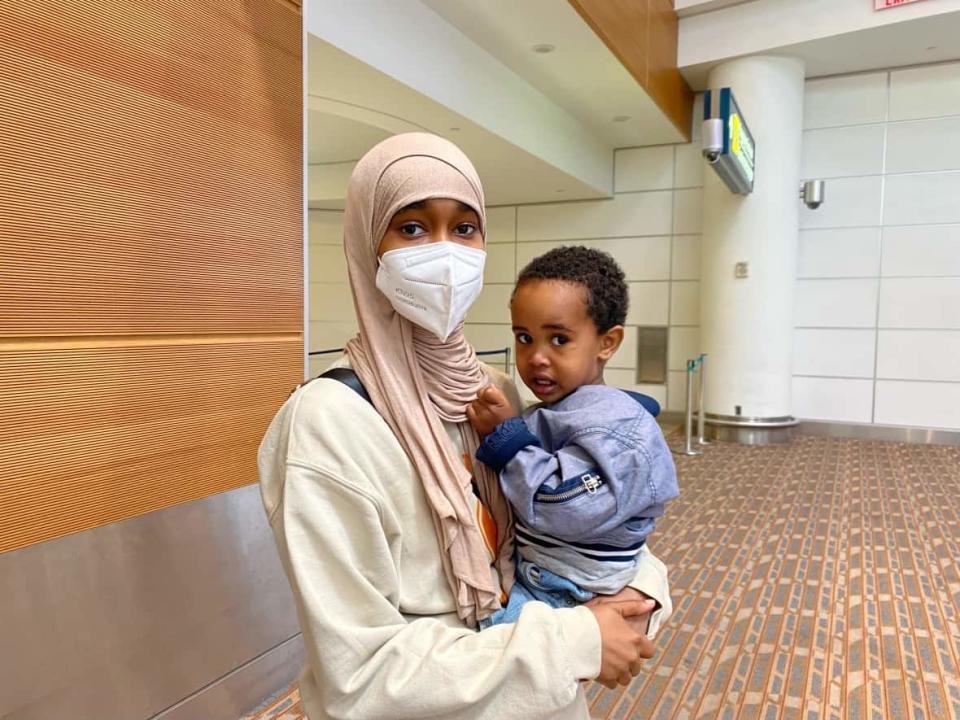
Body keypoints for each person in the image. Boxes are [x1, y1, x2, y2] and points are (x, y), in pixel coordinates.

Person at [258, 133, 672, 720]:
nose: (444, 254)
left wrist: (644, 589)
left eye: (465, 228)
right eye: (412, 228)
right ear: (365, 243)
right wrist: (576, 641)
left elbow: (586, 520)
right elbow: (361, 676)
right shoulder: (326, 425)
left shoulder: (491, 394)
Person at [466, 246, 679, 628]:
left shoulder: (615, 428)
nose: (536, 357)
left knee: (493, 660)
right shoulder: (551, 410)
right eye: (524, 338)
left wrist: (507, 440)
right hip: (545, 573)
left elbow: (565, 506)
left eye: (559, 340)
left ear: (607, 343)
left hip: (568, 589)